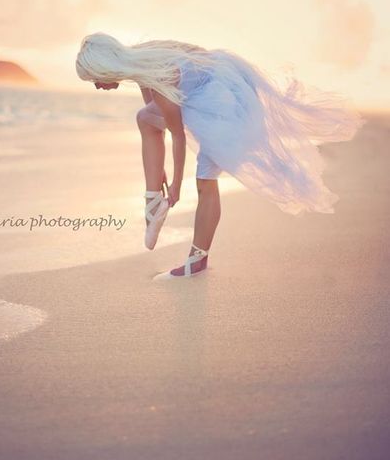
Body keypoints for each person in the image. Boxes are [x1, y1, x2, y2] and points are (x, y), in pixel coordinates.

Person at [75, 32, 365, 280]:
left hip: (226, 104)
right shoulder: (141, 61)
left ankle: (197, 260)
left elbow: (177, 134)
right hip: (209, 90)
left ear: (105, 67)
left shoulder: (157, 73)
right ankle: (153, 203)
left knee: (204, 180)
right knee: (144, 118)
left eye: (94, 79)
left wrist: (175, 186)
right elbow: (157, 119)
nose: (97, 86)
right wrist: (157, 170)